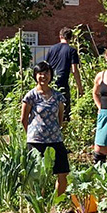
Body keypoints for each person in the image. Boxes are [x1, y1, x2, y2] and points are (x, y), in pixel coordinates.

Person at [22, 61, 70, 195]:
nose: (43, 76)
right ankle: (40, 205)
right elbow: (24, 119)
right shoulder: (31, 96)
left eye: (46, 73)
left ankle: (56, 202)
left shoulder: (57, 96)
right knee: (38, 175)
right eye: (40, 74)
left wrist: (55, 129)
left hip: (55, 139)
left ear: (51, 75)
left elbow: (60, 117)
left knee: (63, 172)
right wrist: (31, 133)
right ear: (35, 76)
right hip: (36, 141)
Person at [44, 27, 83, 121]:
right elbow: (74, 70)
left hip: (50, 82)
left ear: (60, 36)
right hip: (62, 82)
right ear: (71, 38)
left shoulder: (51, 49)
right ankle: (63, 129)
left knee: (49, 108)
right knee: (64, 110)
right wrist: (80, 88)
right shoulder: (72, 51)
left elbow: (46, 66)